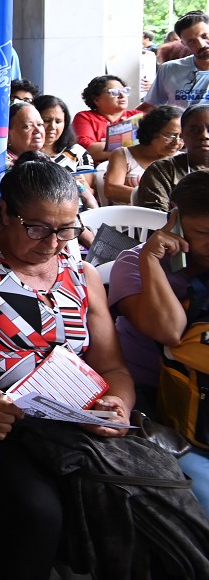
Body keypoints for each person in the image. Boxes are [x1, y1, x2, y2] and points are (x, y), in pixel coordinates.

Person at [0, 154, 147, 580]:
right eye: (38, 228)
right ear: (5, 213)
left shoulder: (82, 274)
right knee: (38, 509)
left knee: (121, 492)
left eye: (66, 229)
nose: (53, 242)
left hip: (66, 419)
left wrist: (119, 405)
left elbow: (113, 367)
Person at [110, 173, 209, 512]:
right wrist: (151, 260)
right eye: (204, 233)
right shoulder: (132, 263)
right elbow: (169, 331)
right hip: (151, 399)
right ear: (175, 218)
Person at [135, 104, 209, 212]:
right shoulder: (162, 171)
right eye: (194, 130)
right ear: (182, 135)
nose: (204, 136)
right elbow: (156, 217)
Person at [104, 105, 183, 205]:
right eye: (170, 135)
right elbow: (111, 190)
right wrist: (157, 197)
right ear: (152, 132)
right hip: (132, 213)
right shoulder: (123, 155)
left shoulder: (182, 159)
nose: (177, 142)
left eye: (182, 136)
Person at [145, 10, 209, 108]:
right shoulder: (169, 70)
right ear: (184, 44)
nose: (201, 45)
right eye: (191, 41)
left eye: (204, 36)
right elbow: (150, 106)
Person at [73, 75, 135, 164]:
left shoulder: (137, 115)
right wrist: (132, 141)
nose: (122, 95)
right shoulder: (85, 117)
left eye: (124, 91)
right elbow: (89, 150)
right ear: (96, 100)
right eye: (114, 92)